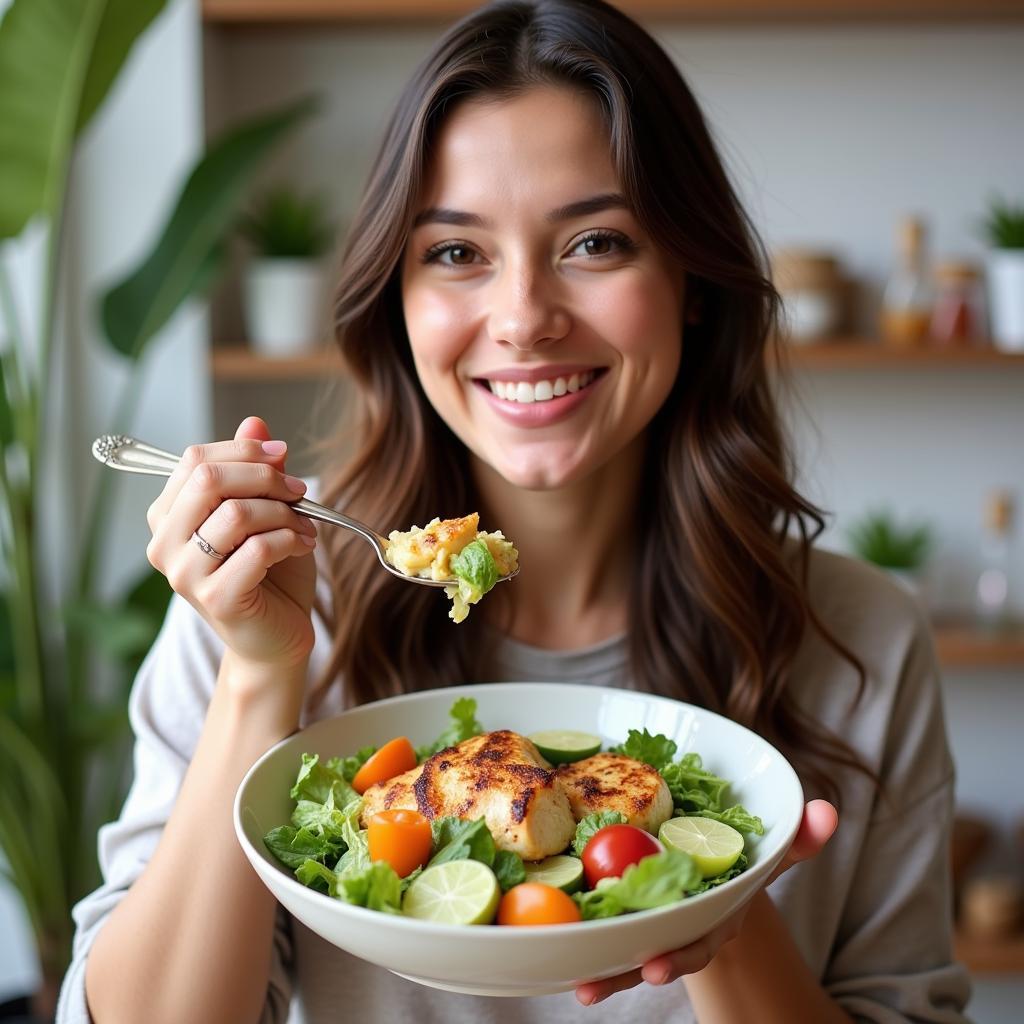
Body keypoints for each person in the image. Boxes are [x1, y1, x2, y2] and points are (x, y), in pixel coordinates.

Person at [59, 1, 971, 1021]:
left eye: (595, 241)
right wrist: (262, 677)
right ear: (395, 303)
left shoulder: (862, 643)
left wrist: (703, 904)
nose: (525, 318)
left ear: (694, 282)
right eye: (456, 253)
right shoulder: (257, 607)